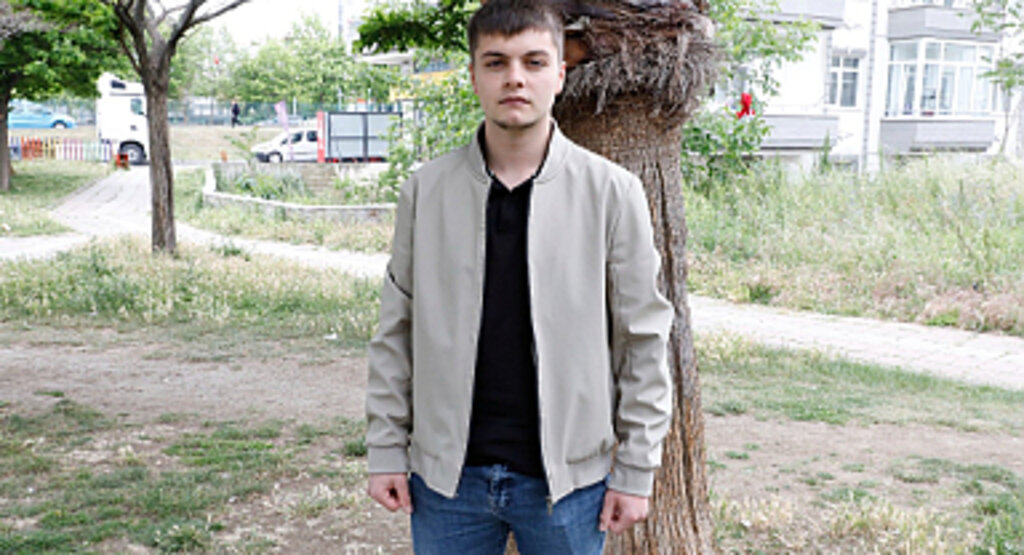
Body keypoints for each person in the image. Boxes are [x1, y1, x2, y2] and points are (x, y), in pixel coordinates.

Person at [364, 0, 674, 552]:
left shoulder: (612, 192)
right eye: (496, 62)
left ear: (560, 74)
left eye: (534, 62)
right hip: (446, 482)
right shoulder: (425, 191)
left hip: (570, 487)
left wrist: (636, 470)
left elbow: (643, 339)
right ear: (473, 76)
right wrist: (386, 449)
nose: (515, 78)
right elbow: (396, 332)